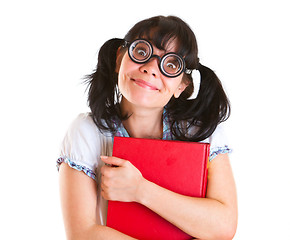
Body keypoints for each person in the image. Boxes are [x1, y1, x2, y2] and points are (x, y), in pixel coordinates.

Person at [57, 15, 237, 240]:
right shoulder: (86, 132)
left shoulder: (202, 133)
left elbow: (223, 227)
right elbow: (83, 234)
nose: (151, 68)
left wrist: (140, 190)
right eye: (141, 52)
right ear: (119, 59)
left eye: (170, 64)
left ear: (182, 85)